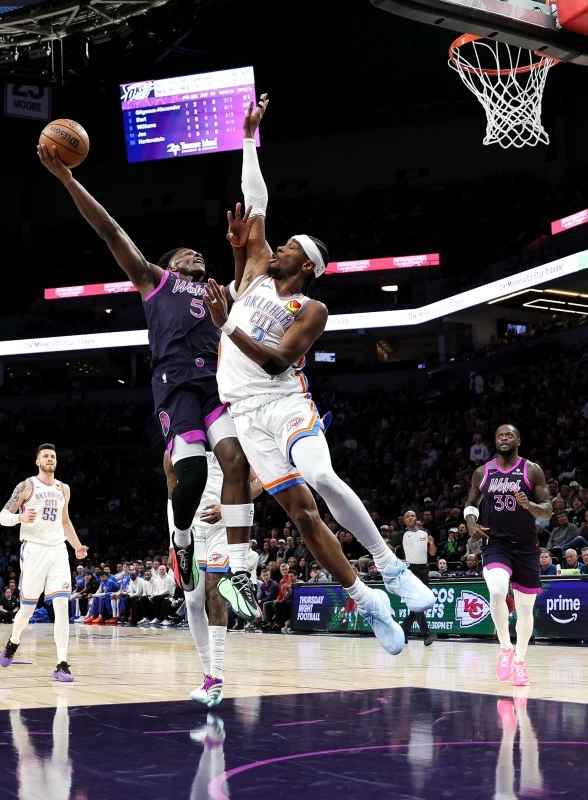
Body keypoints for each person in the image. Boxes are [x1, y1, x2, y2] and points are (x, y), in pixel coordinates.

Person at [202, 93, 432, 655]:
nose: (274, 247)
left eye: (285, 247)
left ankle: (391, 567)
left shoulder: (311, 309)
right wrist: (249, 137)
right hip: (244, 416)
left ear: (306, 264)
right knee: (303, 517)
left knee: (322, 477)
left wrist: (227, 324)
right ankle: (368, 601)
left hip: (283, 402)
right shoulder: (253, 272)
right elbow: (256, 199)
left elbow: (276, 361)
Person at [36, 141, 255, 616]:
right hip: (175, 386)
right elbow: (111, 231)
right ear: (171, 265)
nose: (197, 252)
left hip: (216, 385)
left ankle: (240, 569)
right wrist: (69, 180)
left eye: (200, 250)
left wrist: (239, 249)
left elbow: (244, 287)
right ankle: (182, 540)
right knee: (193, 473)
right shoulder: (156, 281)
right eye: (187, 252)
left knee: (236, 461)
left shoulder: (215, 291)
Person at [163, 450, 263, 707]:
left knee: (215, 593)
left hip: (223, 527)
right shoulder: (174, 448)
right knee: (193, 602)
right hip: (191, 529)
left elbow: (257, 484)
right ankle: (209, 674)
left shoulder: (229, 441)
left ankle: (216, 674)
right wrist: (174, 542)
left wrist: (227, 508)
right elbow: (172, 495)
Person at [465, 425, 553, 687]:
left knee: (525, 609)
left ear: (518, 440)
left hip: (526, 546)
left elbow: (547, 511)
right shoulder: (483, 472)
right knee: (497, 589)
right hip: (496, 544)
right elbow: (471, 503)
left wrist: (530, 505)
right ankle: (505, 648)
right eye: (499, 436)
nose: (504, 438)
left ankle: (520, 661)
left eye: (509, 435)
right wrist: (471, 522)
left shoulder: (532, 470)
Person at [0, 444, 89, 682]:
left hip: (58, 550)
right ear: (37, 461)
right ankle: (13, 641)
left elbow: (65, 521)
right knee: (27, 610)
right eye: (45, 456)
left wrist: (76, 545)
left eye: (53, 456)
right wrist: (19, 517)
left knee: (62, 606)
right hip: (34, 550)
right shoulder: (27, 486)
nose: (50, 458)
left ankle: (62, 663)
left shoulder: (64, 488)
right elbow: (2, 516)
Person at [400, 509, 437, 646]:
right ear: (404, 520)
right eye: (407, 516)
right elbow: (389, 547)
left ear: (417, 518)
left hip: (424, 569)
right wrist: (398, 561)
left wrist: (432, 544)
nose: (410, 518)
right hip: (411, 569)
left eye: (413, 516)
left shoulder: (425, 532)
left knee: (421, 601)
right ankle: (426, 633)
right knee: (419, 600)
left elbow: (432, 553)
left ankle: (403, 630)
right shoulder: (401, 534)